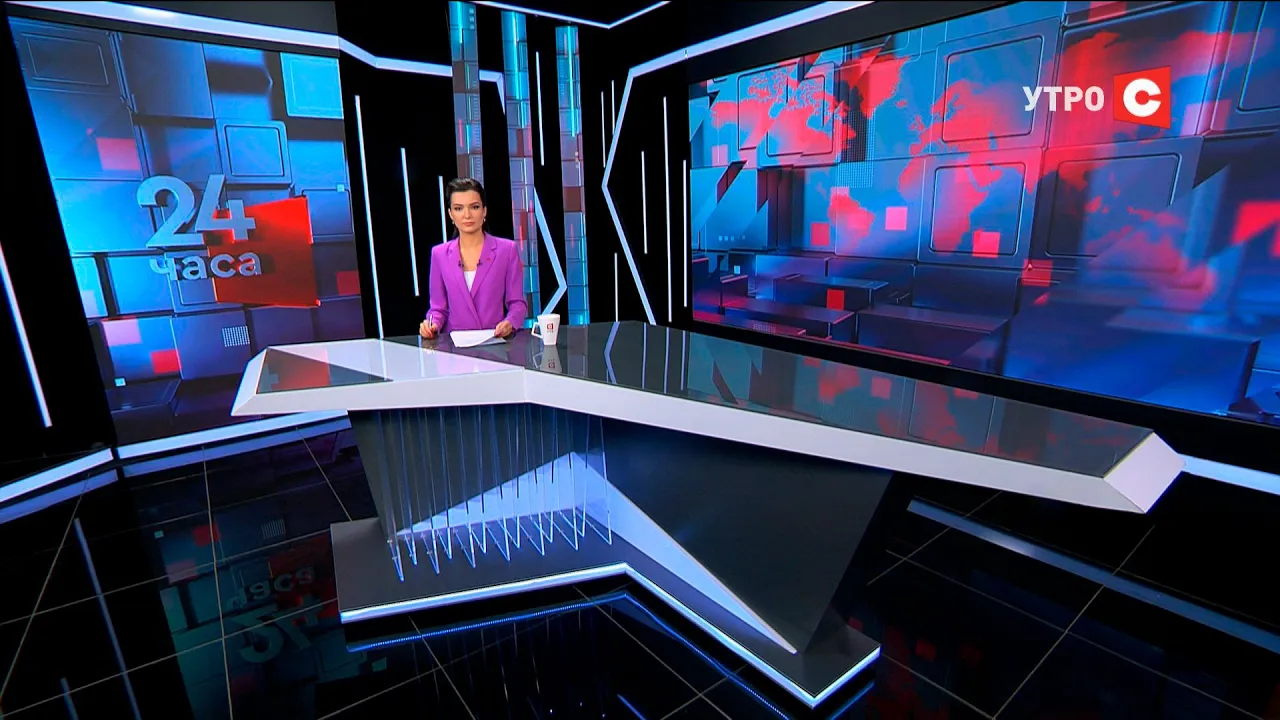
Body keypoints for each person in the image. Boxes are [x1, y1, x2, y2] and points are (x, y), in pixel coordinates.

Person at [419, 177, 528, 340]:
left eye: (474, 207)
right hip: (454, 347)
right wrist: (431, 324)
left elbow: (517, 304)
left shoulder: (507, 250)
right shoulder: (439, 254)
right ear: (450, 214)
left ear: (484, 211)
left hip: (494, 343)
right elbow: (438, 309)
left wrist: (510, 323)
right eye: (459, 208)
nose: (467, 215)